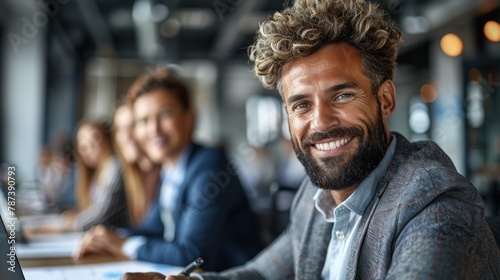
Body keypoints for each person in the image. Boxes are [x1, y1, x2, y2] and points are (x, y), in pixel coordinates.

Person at [123, 0, 500, 279]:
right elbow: (262, 273)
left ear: (385, 99)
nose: (321, 122)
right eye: (301, 104)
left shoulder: (432, 204)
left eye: (342, 95)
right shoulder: (315, 196)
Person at [78, 70, 263, 272]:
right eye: (143, 121)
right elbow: (153, 229)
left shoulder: (210, 166)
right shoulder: (170, 169)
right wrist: (109, 237)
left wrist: (124, 246)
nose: (154, 129)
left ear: (189, 118)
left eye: (165, 114)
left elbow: (191, 253)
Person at [76, 103, 162, 255]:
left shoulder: (163, 173)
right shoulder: (134, 176)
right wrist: (113, 239)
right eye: (120, 129)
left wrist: (123, 242)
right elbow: (144, 231)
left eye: (134, 125)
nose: (127, 136)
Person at [70, 119, 129, 231]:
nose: (86, 145)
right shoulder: (95, 172)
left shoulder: (114, 166)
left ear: (107, 137)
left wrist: (73, 223)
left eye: (95, 138)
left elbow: (101, 214)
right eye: (81, 141)